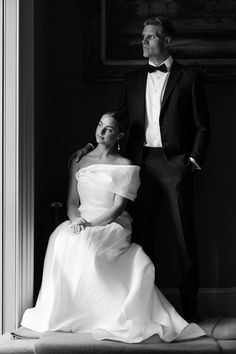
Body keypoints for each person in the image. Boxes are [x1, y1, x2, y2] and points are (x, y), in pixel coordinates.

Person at [21, 112, 205, 343]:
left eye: (109, 129)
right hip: (81, 217)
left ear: (120, 135)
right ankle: (68, 314)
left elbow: (118, 208)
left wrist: (92, 225)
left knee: (89, 245)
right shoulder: (80, 160)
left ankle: (102, 316)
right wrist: (76, 220)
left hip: (112, 222)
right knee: (61, 239)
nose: (101, 131)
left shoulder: (125, 166)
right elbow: (71, 202)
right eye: (99, 125)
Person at [72, 17, 209, 323]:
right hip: (139, 164)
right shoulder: (132, 78)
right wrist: (90, 145)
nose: (144, 42)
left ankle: (190, 308)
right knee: (142, 235)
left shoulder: (188, 77)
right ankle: (144, 306)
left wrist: (194, 160)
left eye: (151, 37)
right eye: (143, 37)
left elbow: (202, 124)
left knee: (184, 237)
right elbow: (116, 119)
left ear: (167, 41)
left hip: (176, 164)